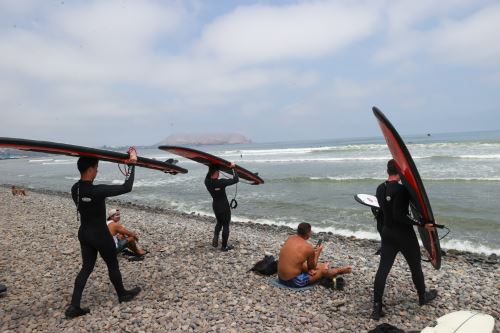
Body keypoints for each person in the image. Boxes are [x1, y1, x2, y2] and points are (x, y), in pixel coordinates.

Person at [65, 150, 141, 319]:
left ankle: (74, 306)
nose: (97, 171)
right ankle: (122, 294)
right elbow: (126, 187)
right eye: (96, 168)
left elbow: (86, 200)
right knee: (112, 265)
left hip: (84, 234)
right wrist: (132, 165)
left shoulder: (75, 188)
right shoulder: (97, 191)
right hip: (100, 235)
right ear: (91, 169)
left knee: (86, 268)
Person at [372, 159, 437, 320]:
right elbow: (400, 215)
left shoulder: (380, 188)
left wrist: (382, 234)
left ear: (388, 171)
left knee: (383, 270)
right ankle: (423, 296)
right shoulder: (402, 190)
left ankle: (377, 307)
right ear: (400, 172)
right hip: (404, 235)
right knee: (415, 266)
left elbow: (383, 214)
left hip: (388, 233)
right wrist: (422, 224)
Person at [278, 222, 352, 288]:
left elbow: (296, 256)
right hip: (293, 281)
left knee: (304, 265)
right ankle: (340, 270)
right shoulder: (308, 248)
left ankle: (324, 267)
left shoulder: (290, 238)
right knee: (322, 271)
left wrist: (311, 255)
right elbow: (312, 267)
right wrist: (318, 252)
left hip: (280, 278)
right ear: (308, 233)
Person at [205, 163, 239, 251]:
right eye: (218, 172)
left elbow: (209, 175)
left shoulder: (207, 182)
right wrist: (234, 168)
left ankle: (215, 239)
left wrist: (211, 167)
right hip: (224, 207)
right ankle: (224, 247)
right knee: (226, 225)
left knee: (219, 222)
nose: (219, 173)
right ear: (216, 172)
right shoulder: (221, 182)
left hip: (216, 206)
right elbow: (236, 179)